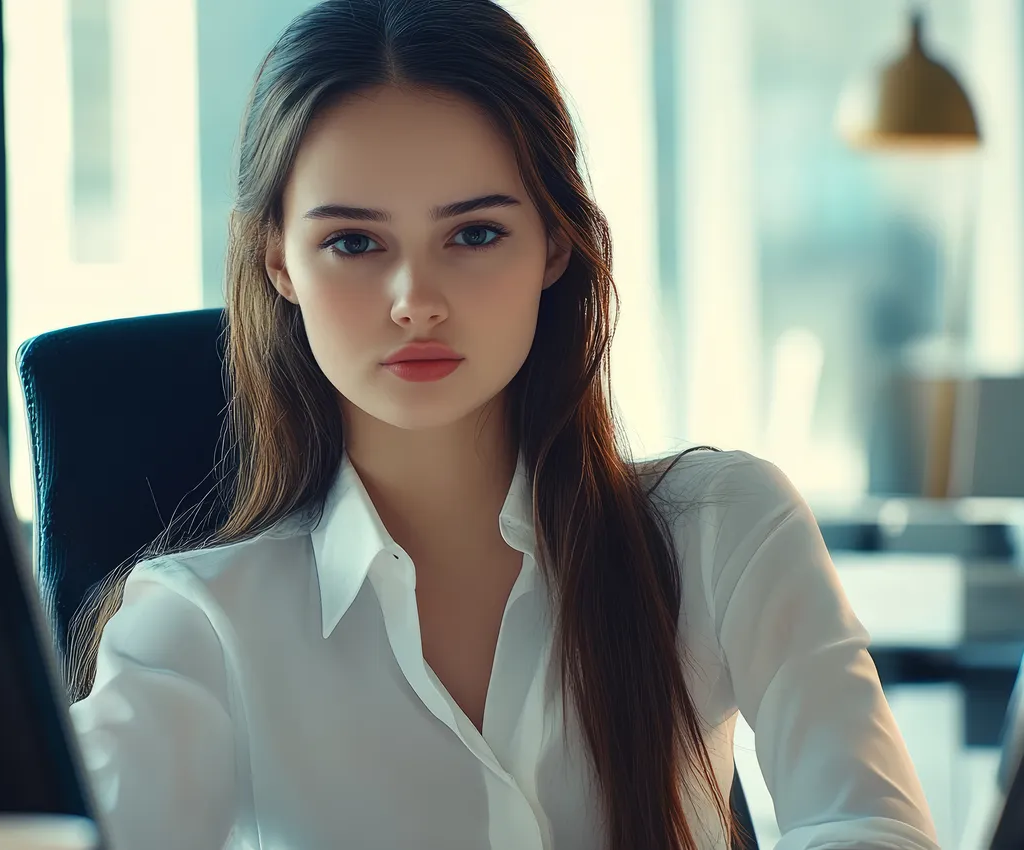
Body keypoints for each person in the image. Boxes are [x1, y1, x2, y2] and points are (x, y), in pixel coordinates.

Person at [68, 1, 939, 847]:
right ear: (278, 262)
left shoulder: (722, 527)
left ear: (555, 246)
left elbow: (871, 826)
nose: (416, 302)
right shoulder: (199, 625)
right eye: (354, 243)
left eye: (475, 234)